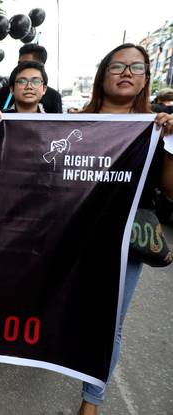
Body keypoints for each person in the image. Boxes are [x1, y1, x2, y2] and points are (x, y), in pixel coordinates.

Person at [75, 43, 173, 415]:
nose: (127, 71)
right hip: (76, 232)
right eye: (118, 65)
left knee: (109, 321)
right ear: (103, 75)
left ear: (146, 78)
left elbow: (170, 190)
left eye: (136, 66)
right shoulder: (75, 124)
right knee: (66, 306)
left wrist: (172, 143)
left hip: (126, 240)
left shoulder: (157, 129)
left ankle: (91, 401)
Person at [0, 44, 63, 113]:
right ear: (12, 89)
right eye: (19, 63)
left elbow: (58, 123)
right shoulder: (5, 92)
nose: (29, 87)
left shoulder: (54, 96)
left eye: (26, 64)